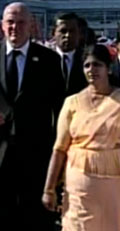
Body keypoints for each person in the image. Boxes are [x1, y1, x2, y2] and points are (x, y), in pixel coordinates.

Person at [42, 44, 120, 231]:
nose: (91, 70)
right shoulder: (72, 102)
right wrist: (49, 189)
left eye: (97, 65)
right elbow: (59, 148)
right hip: (79, 180)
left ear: (108, 68)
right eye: (87, 65)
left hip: (117, 182)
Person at [0, 2, 66, 230]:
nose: (14, 27)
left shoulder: (49, 61)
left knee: (35, 220)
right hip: (1, 155)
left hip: (36, 157)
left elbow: (60, 113)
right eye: (10, 22)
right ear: (2, 25)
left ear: (31, 26)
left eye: (20, 23)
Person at [53, 12, 88, 96]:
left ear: (79, 33)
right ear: (53, 32)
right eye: (63, 31)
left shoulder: (87, 59)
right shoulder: (44, 58)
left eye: (72, 31)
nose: (68, 35)